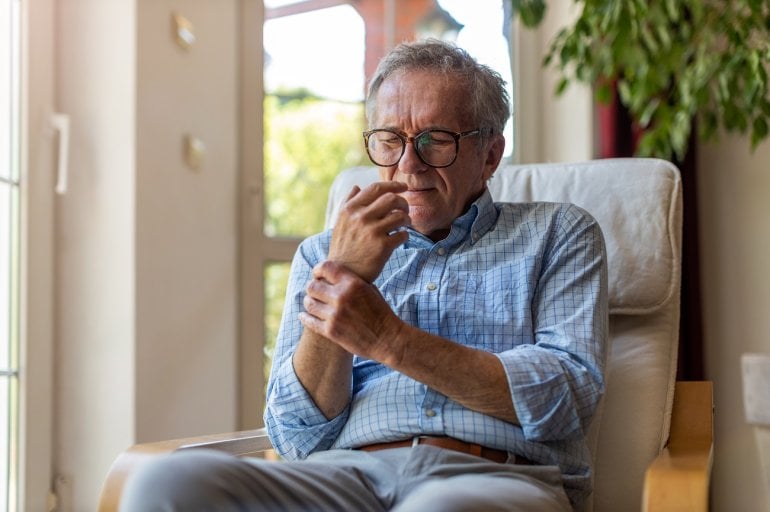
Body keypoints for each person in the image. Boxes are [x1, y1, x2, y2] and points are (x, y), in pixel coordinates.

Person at [121, 39, 608, 512]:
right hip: (346, 479)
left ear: (489, 155)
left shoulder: (558, 233)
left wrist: (387, 339)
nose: (407, 165)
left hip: (495, 476)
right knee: (165, 482)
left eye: (435, 140)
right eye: (390, 141)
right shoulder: (322, 253)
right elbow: (295, 435)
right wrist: (343, 272)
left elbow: (566, 397)